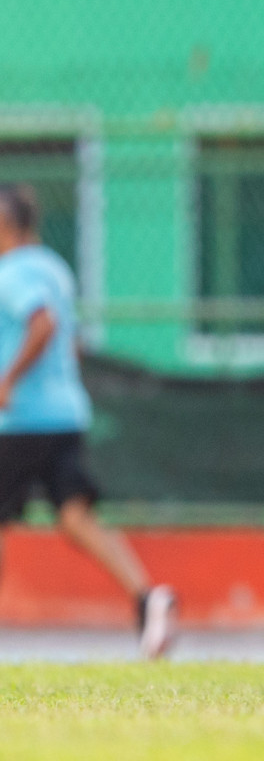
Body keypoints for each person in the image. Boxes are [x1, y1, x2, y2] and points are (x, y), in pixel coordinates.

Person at [0, 184, 177, 658]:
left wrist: (8, 380)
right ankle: (147, 598)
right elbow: (70, 341)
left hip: (18, 421)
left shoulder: (11, 274)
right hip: (66, 412)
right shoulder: (54, 269)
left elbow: (43, 326)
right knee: (75, 516)